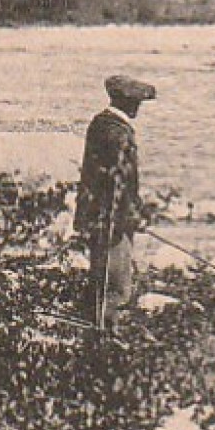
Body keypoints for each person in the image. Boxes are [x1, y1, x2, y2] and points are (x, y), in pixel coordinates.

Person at [74, 74, 156, 329]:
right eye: (137, 104)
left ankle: (94, 333)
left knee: (100, 281)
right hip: (112, 224)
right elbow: (118, 184)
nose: (138, 109)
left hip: (96, 219)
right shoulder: (119, 133)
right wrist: (132, 216)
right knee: (117, 287)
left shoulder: (99, 124)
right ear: (129, 104)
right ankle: (106, 341)